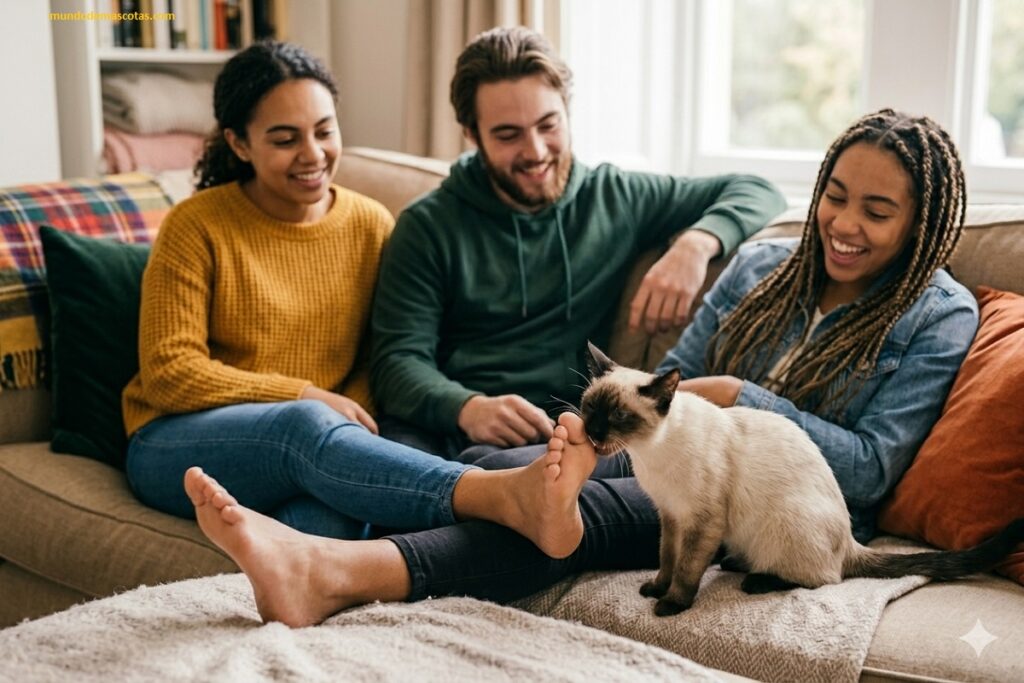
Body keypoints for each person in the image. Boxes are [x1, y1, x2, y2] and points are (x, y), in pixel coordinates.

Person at [179, 108, 980, 627]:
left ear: (922, 223)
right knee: (520, 468)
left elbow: (872, 472)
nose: (842, 223)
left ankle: (332, 567)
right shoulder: (762, 268)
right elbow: (673, 375)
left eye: (877, 211)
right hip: (674, 459)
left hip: (778, 508)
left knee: (563, 508)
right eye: (834, 195)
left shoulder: (937, 315)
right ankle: (370, 534)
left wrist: (744, 398)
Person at [121, 40, 600, 558]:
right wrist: (306, 395)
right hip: (176, 442)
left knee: (323, 529)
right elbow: (169, 371)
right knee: (303, 426)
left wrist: (350, 419)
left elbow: (377, 356)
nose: (313, 155)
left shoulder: (369, 224)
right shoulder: (196, 225)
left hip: (324, 447)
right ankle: (494, 495)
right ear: (239, 144)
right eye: (285, 139)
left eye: (324, 131)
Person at [370, 26, 786, 457]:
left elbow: (757, 189)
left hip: (551, 437)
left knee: (503, 473)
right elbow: (396, 361)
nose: (535, 151)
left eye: (548, 125)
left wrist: (696, 244)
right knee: (384, 468)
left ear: (567, 112)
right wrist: (467, 407)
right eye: (508, 135)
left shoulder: (615, 198)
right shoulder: (427, 224)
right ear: (472, 135)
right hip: (438, 426)